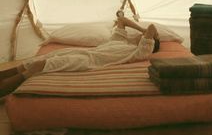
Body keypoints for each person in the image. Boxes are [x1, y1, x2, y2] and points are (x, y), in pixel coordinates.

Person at [0, 12, 160, 97]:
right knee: (33, 61)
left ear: (150, 43)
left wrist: (149, 33)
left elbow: (152, 28)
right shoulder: (120, 41)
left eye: (145, 37)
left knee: (38, 67)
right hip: (81, 52)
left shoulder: (140, 52)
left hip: (85, 61)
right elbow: (122, 19)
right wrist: (142, 30)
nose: (141, 35)